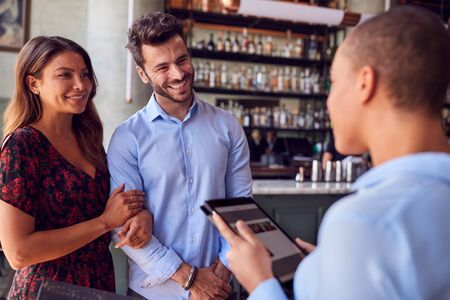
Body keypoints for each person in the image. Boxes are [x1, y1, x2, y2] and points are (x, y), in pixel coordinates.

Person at [213, 6, 450, 300]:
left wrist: (260, 282)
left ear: (366, 83)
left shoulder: (363, 223)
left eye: (334, 82)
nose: (328, 100)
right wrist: (330, 267)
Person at [106, 12, 252, 300]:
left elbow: (240, 209)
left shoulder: (228, 127)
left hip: (220, 289)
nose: (177, 73)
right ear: (142, 73)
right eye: (162, 67)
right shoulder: (127, 138)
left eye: (182, 59)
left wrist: (220, 272)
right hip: (155, 293)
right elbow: (126, 227)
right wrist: (192, 279)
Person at [0, 36, 152, 300]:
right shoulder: (22, 146)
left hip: (98, 288)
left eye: (84, 74)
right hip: (46, 292)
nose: (81, 85)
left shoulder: (88, 138)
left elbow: (117, 205)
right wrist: (104, 222)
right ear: (33, 83)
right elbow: (18, 253)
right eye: (65, 75)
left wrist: (140, 217)